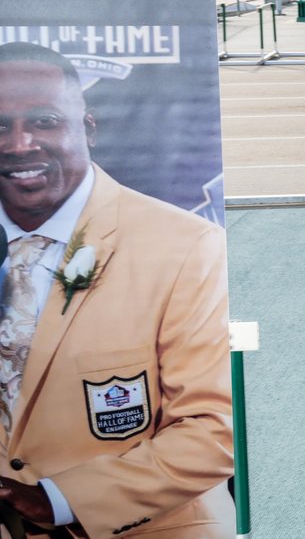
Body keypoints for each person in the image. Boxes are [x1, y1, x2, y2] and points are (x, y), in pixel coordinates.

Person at [0, 42, 233, 537]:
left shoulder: (187, 245)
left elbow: (216, 428)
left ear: (87, 128)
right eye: (0, 126)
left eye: (44, 121)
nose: (20, 144)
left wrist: (61, 499)